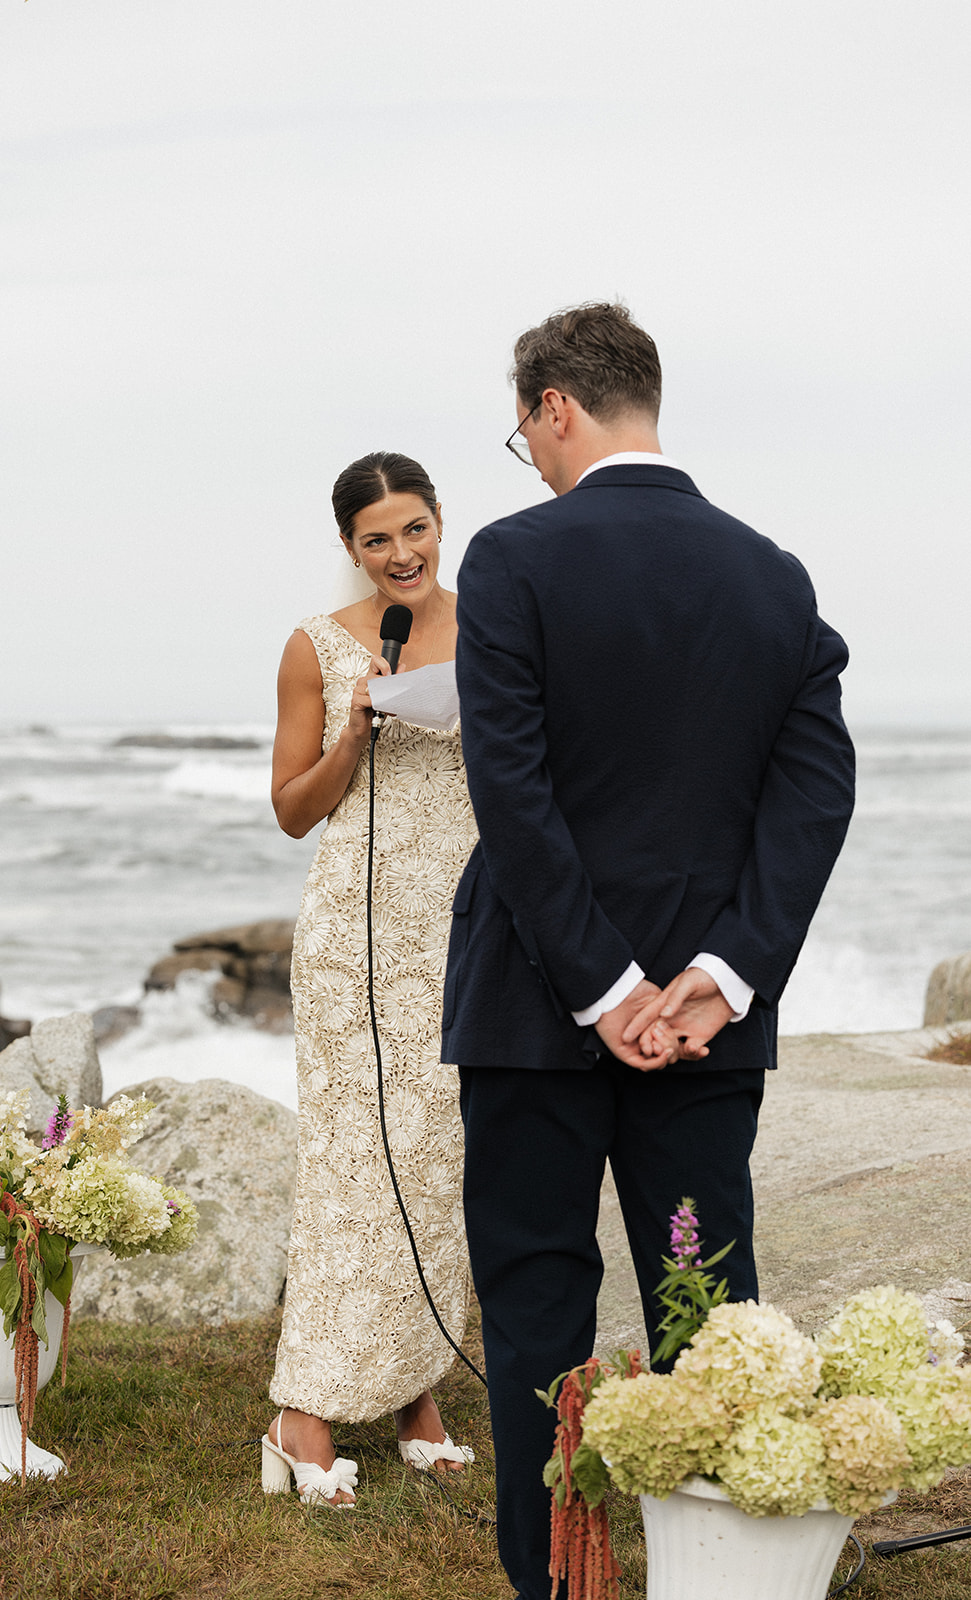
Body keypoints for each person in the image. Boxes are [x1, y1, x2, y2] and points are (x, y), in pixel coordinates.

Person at [442, 302, 856, 1598]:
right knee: (697, 1306)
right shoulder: (769, 574)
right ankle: (712, 1571)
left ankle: (556, 1579)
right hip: (701, 1026)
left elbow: (511, 793)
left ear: (554, 406)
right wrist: (718, 976)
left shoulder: (511, 563)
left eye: (525, 431)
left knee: (533, 1304)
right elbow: (811, 795)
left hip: (532, 1011)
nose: (530, 452)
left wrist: (600, 986)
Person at [264, 452, 477, 1508]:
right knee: (352, 1157)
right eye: (376, 538)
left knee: (439, 1159)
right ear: (350, 546)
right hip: (356, 932)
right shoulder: (317, 646)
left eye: (414, 528)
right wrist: (353, 735)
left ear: (442, 523)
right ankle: (301, 1410)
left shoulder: (497, 628)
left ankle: (413, 1395)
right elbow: (293, 808)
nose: (401, 553)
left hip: (469, 928)